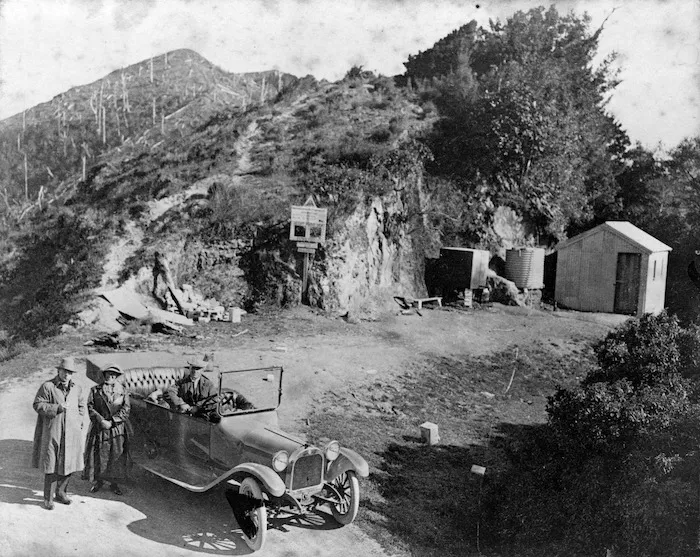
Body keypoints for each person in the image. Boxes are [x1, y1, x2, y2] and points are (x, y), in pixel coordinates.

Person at [32, 357, 86, 510]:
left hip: (71, 432)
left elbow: (81, 405)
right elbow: (37, 404)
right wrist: (56, 408)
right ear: (58, 371)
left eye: (70, 372)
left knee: (68, 463)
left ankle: (61, 493)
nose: (67, 375)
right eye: (64, 371)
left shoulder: (77, 387)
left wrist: (79, 421)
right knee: (51, 464)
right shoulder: (48, 386)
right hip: (53, 431)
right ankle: (48, 498)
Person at [83, 364, 132, 495]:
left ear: (116, 377)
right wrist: (101, 420)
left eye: (113, 375)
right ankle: (98, 481)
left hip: (116, 429)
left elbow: (126, 409)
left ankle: (114, 483)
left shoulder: (123, 391)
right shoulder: (95, 390)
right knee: (99, 455)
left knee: (115, 454)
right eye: (108, 374)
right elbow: (90, 407)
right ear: (104, 375)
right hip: (99, 427)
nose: (111, 376)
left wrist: (112, 421)